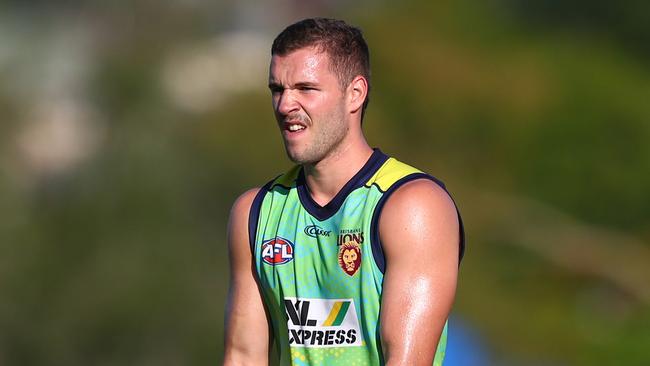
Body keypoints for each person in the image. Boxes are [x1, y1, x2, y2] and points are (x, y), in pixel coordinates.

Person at [224, 17, 464, 366]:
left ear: (355, 94)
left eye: (305, 88)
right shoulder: (256, 211)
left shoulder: (412, 206)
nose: (285, 105)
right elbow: (243, 357)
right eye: (277, 89)